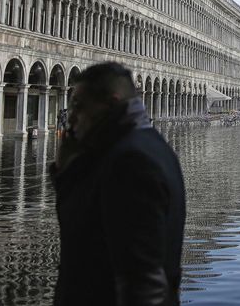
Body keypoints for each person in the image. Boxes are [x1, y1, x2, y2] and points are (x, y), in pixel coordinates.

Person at [51, 62, 186, 306]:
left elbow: (143, 282)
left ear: (111, 103)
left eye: (79, 107)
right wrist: (67, 171)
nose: (70, 117)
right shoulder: (150, 146)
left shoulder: (130, 161)